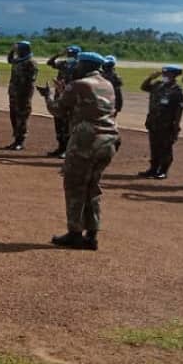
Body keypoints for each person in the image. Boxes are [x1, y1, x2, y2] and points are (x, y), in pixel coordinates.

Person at [39, 52, 118, 250]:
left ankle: (75, 233)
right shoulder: (107, 84)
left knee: (74, 185)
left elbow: (58, 110)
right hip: (108, 141)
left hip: (86, 141)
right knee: (92, 186)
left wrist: (48, 95)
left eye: (78, 64)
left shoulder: (80, 84)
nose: (75, 67)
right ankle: (92, 235)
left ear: (85, 65)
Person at [138, 66, 183, 180]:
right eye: (164, 74)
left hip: (167, 125)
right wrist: (150, 77)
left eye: (167, 74)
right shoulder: (158, 85)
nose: (164, 76)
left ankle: (163, 170)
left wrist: (176, 126)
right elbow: (144, 87)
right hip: (153, 122)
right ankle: (153, 169)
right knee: (154, 147)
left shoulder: (178, 91)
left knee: (165, 148)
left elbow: (179, 110)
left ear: (174, 76)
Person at [46, 45, 81, 158]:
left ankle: (67, 150)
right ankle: (60, 147)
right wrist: (59, 54)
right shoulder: (63, 64)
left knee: (68, 125)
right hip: (59, 97)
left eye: (72, 54)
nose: (69, 56)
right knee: (58, 123)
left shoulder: (79, 67)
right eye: (68, 54)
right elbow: (50, 62)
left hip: (70, 99)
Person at [5, 41, 38, 151]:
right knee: (14, 117)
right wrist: (12, 51)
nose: (17, 51)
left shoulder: (30, 62)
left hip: (23, 96)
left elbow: (31, 81)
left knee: (22, 119)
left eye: (18, 49)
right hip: (14, 94)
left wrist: (25, 96)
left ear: (24, 50)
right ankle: (16, 139)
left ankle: (20, 141)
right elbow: (9, 60)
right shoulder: (18, 60)